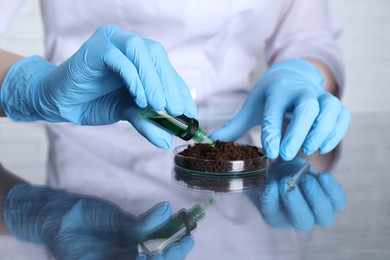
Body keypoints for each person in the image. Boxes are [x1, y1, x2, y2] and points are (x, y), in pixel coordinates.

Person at [0, 0, 351, 259]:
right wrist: (30, 87)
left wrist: (301, 73)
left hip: (249, 231)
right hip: (84, 127)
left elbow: (309, 36)